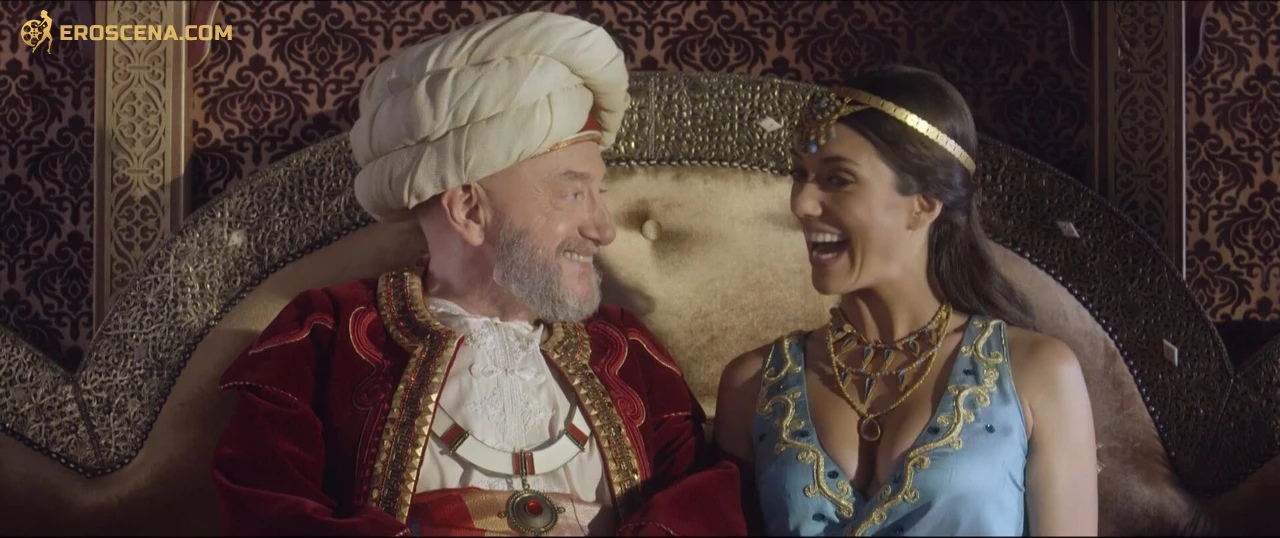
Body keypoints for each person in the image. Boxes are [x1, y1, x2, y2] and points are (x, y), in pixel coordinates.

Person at [211, 12, 744, 537]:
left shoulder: (626, 348)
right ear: (468, 210)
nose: (603, 229)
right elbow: (268, 507)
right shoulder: (329, 334)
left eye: (597, 193)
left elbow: (706, 502)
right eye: (572, 194)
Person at [713, 66, 1098, 536]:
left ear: (924, 203)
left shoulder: (1038, 374)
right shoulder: (752, 385)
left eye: (838, 179)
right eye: (800, 175)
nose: (801, 204)